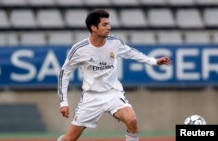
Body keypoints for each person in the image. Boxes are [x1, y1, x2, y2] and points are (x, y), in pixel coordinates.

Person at [57, 9, 171, 141]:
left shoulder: (115, 42)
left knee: (132, 120)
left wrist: (154, 61)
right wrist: (63, 102)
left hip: (113, 93)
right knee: (69, 139)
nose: (109, 27)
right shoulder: (79, 49)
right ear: (94, 28)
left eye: (109, 24)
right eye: (104, 25)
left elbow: (132, 53)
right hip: (91, 98)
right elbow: (64, 74)